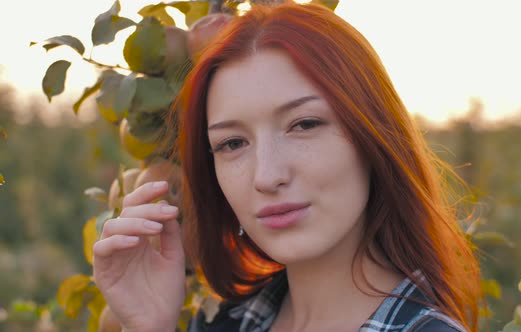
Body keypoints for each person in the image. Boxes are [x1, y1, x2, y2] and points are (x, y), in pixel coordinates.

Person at [93, 2, 482, 332]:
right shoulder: (226, 323)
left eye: (304, 125)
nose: (266, 176)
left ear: (373, 135)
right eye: (232, 143)